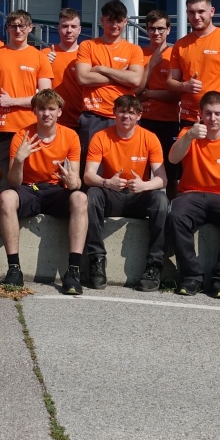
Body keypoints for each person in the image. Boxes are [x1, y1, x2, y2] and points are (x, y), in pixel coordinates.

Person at [0, 89, 85, 293]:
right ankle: (14, 269)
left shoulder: (70, 136)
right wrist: (19, 160)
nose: (47, 114)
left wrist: (72, 181)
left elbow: (76, 183)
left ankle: (73, 271)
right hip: (29, 188)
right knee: (7, 197)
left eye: (51, 109)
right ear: (34, 111)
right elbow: (13, 182)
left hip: (55, 190)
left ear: (59, 112)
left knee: (80, 198)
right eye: (42, 109)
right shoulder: (22, 135)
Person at [167, 90, 220, 297]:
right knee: (176, 215)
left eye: (218, 114)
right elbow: (173, 159)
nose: (213, 119)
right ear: (200, 114)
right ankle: (191, 277)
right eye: (208, 113)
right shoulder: (189, 133)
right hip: (191, 194)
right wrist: (189, 136)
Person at [84, 94, 168, 293]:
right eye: (122, 111)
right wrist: (107, 182)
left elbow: (162, 178)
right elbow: (88, 175)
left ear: (139, 116)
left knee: (161, 200)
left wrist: (144, 186)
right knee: (92, 195)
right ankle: (96, 260)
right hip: (112, 193)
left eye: (131, 113)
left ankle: (154, 265)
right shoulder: (101, 136)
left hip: (139, 195)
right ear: (114, 113)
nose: (126, 116)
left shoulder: (150, 138)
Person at [0, 9, 52, 179]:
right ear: (7, 28)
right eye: (13, 26)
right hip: (1, 128)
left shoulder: (40, 57)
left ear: (30, 28)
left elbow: (47, 97)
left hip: (31, 128)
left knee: (29, 178)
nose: (18, 30)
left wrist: (12, 101)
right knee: (1, 178)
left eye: (22, 26)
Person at [72, 0, 145, 161]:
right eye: (110, 20)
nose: (114, 25)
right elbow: (83, 77)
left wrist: (102, 69)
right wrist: (122, 77)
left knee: (124, 164)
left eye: (119, 21)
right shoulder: (88, 46)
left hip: (125, 115)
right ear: (102, 20)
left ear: (125, 22)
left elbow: (136, 79)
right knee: (92, 168)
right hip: (94, 116)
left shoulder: (134, 50)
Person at [167, 0, 220, 128]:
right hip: (191, 118)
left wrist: (218, 112)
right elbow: (170, 83)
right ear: (186, 13)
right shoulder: (180, 44)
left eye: (201, 11)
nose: (196, 17)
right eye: (192, 12)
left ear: (212, 12)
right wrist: (185, 86)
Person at [138, 10, 180, 192]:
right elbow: (137, 89)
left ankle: (171, 209)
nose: (156, 33)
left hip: (168, 121)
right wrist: (151, 65)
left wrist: (149, 94)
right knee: (142, 168)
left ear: (168, 30)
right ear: (147, 30)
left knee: (171, 171)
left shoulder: (175, 54)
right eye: (152, 29)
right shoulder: (139, 53)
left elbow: (175, 95)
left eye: (161, 29)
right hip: (143, 120)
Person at [45, 8, 83, 131]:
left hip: (81, 120)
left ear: (79, 29)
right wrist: (44, 64)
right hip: (52, 120)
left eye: (73, 26)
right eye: (65, 26)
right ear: (58, 28)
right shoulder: (45, 54)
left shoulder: (87, 55)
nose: (69, 31)